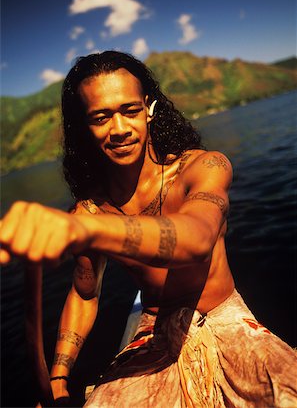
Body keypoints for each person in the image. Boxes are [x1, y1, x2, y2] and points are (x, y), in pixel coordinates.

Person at [0, 51, 296, 407]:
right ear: (84, 126)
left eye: (129, 110)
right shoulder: (91, 209)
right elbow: (84, 293)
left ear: (149, 109)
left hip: (225, 320)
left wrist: (86, 229)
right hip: (154, 335)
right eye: (101, 117)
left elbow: (197, 239)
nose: (120, 128)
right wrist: (60, 378)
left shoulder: (203, 167)